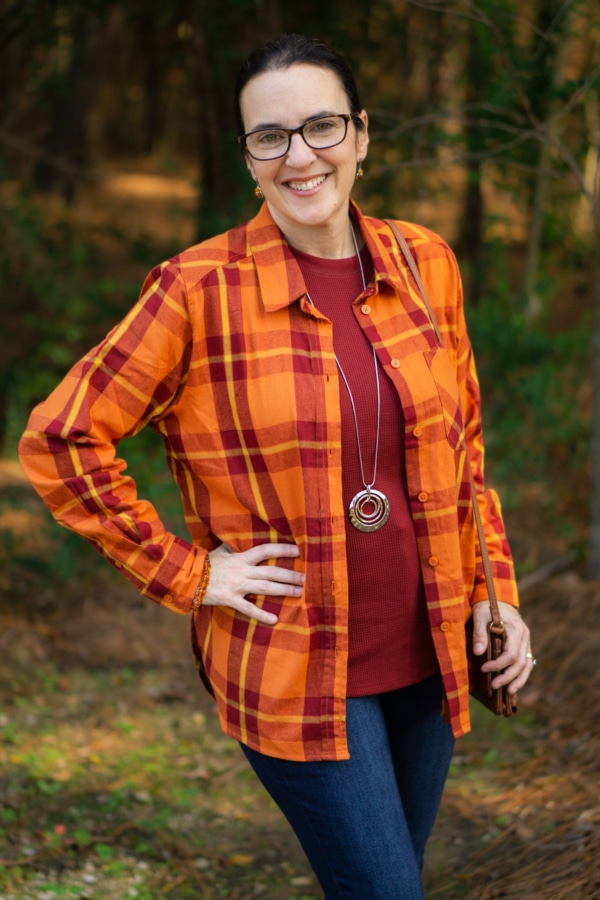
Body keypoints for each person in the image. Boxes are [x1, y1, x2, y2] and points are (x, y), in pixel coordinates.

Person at [18, 33, 534, 899]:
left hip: (430, 650)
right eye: (271, 136)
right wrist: (188, 572)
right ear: (248, 157)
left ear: (362, 136)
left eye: (322, 126)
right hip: (296, 671)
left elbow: (464, 453)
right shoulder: (195, 291)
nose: (300, 156)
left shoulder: (425, 264)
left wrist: (497, 593)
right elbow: (60, 438)